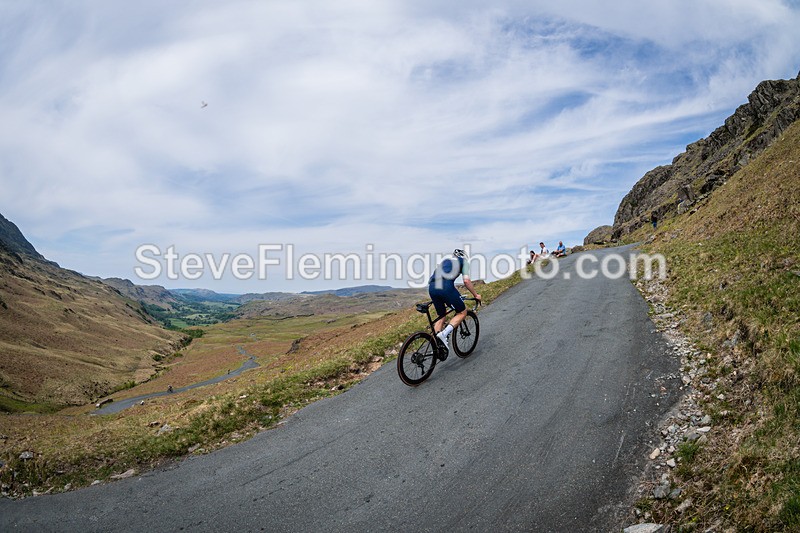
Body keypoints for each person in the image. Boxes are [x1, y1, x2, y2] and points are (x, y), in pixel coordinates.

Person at [428, 249, 481, 359]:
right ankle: (443, 334)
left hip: (432, 288)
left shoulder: (444, 261)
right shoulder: (464, 262)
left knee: (441, 316)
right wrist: (476, 295)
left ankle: (437, 346)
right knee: (462, 312)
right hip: (446, 287)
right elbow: (466, 281)